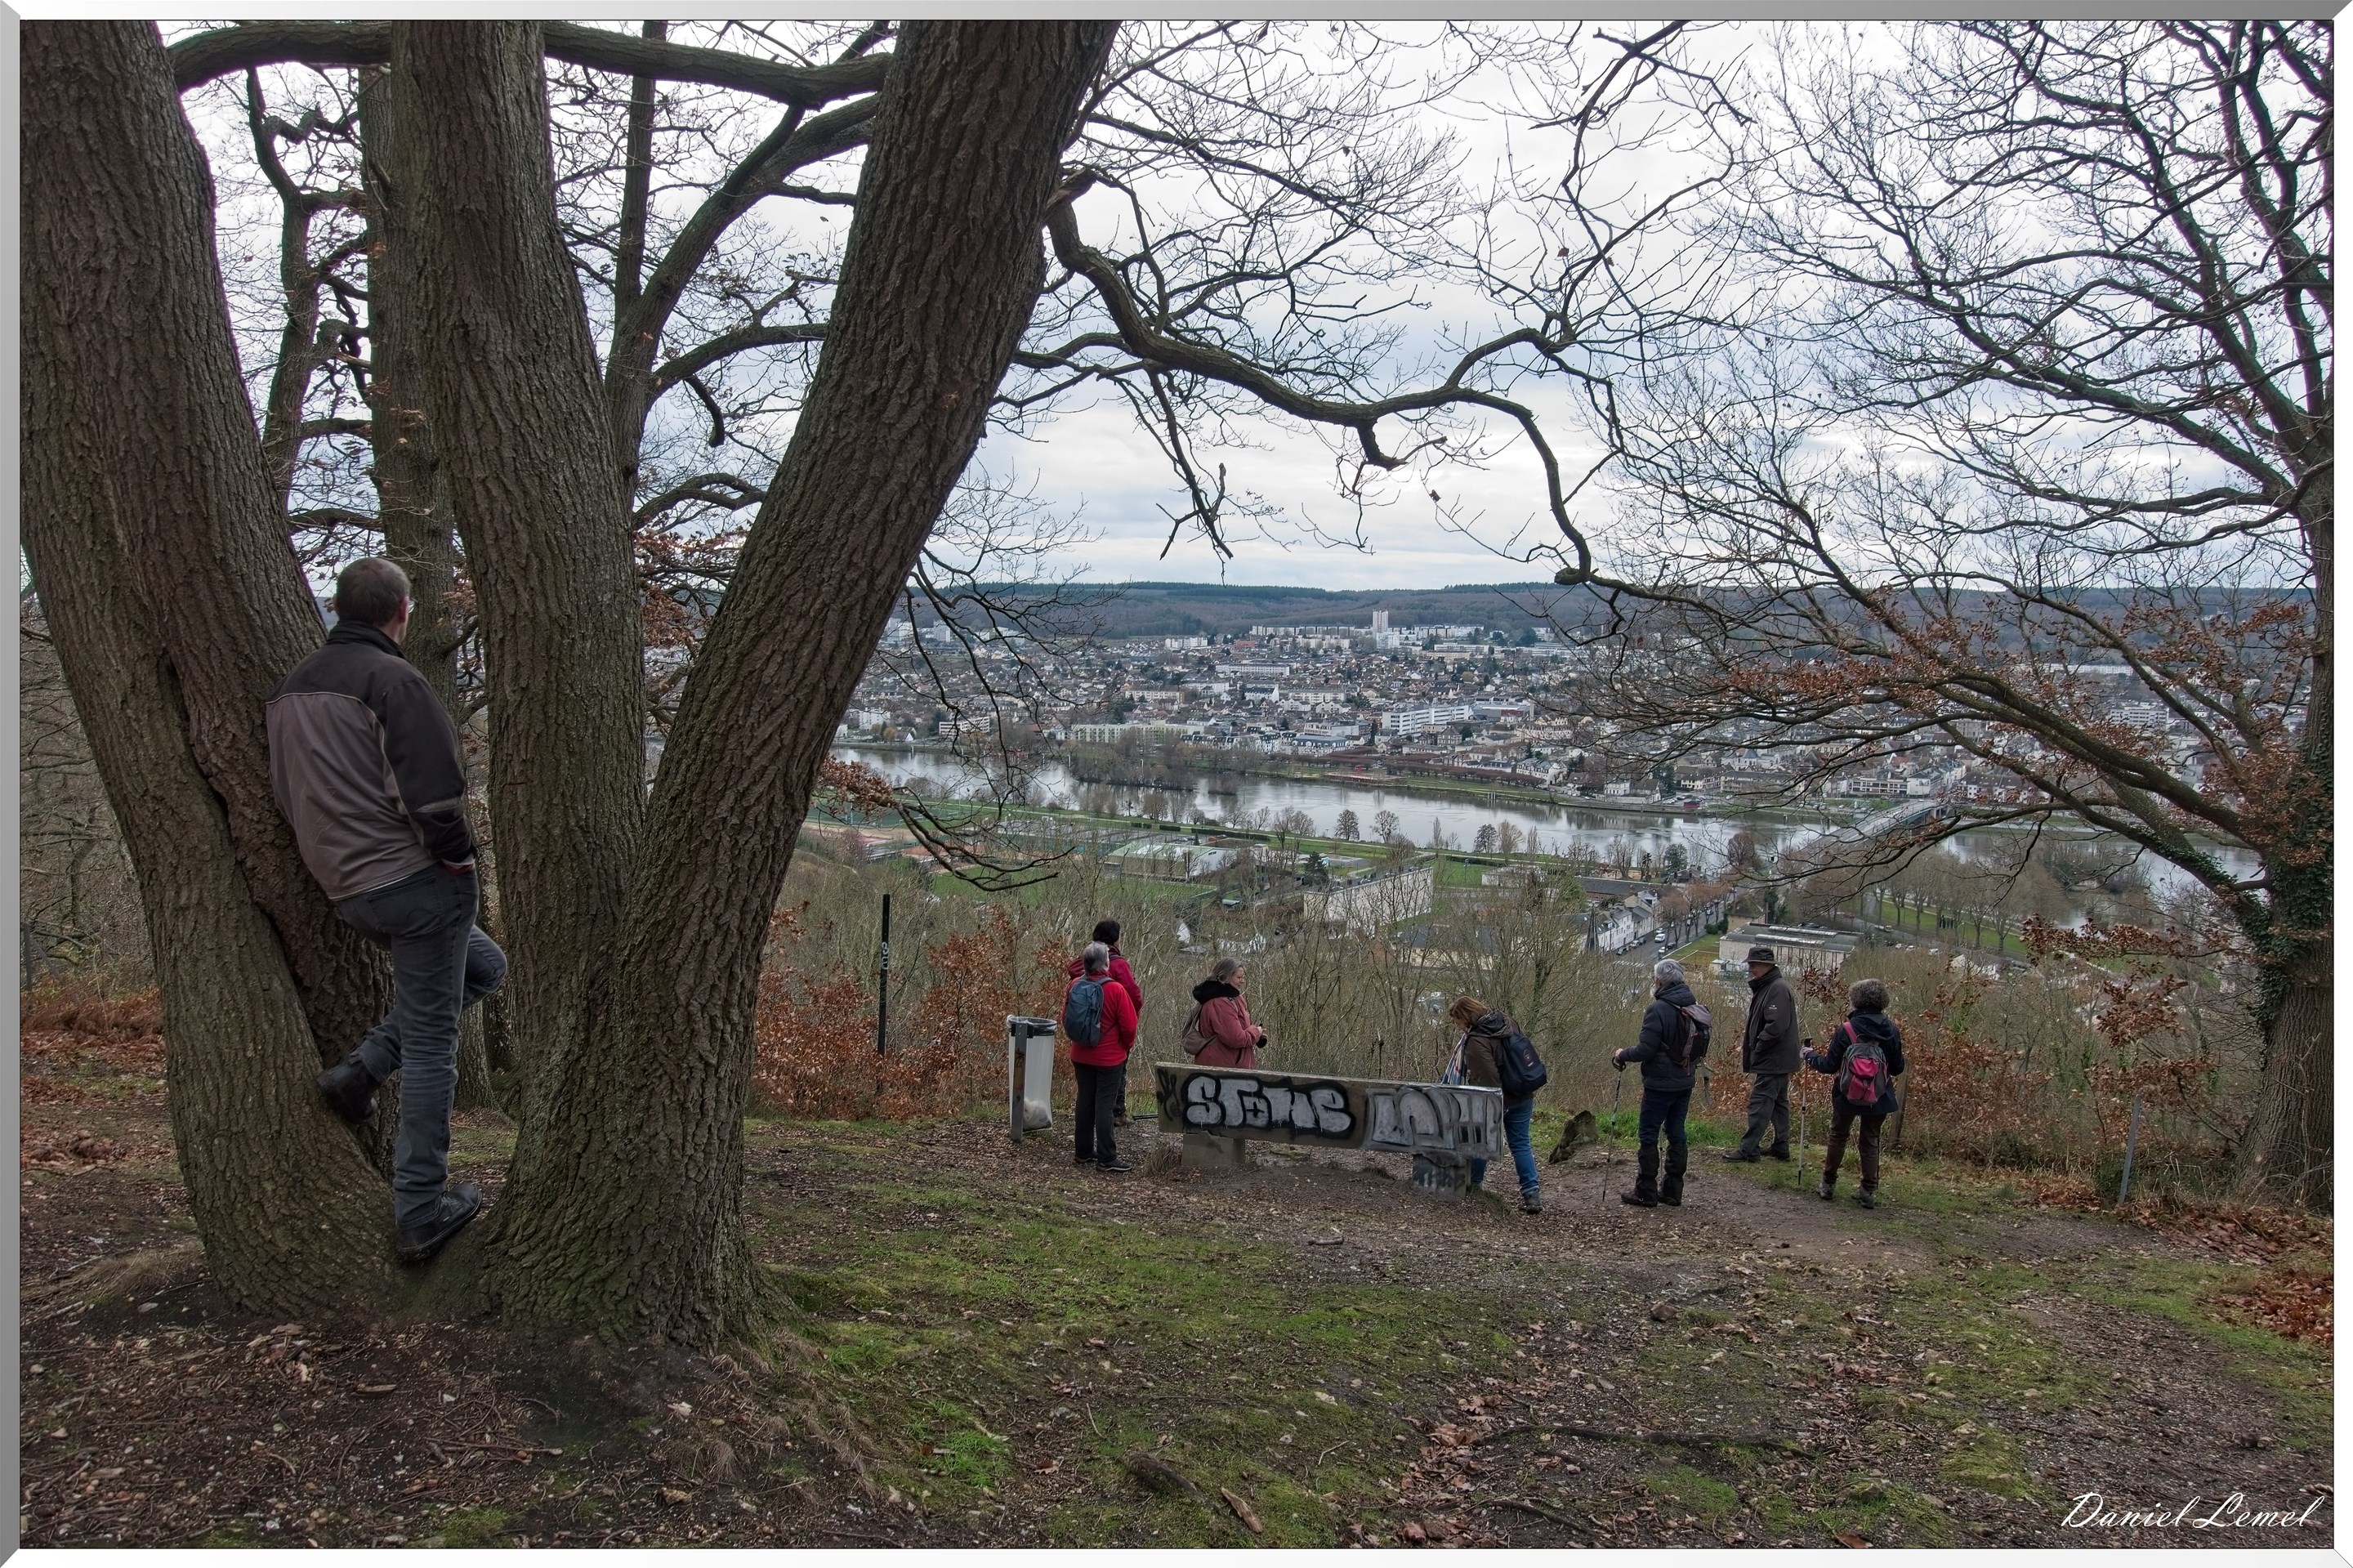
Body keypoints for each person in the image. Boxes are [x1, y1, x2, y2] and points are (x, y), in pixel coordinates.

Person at [266, 557, 506, 1263]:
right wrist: (459, 860)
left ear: (341, 608)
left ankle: (360, 1071)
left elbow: (286, 794)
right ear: (401, 612)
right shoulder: (394, 681)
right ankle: (420, 1211)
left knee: (484, 969)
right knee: (435, 1046)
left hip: (347, 889)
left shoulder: (289, 693)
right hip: (416, 882)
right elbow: (434, 796)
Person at [1806, 977, 1907, 1208]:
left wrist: (1809, 1055)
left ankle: (1828, 1186)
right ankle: (1868, 1191)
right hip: (1879, 1096)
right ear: (1882, 1001)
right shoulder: (1891, 1030)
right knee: (1870, 1139)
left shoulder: (1847, 1030)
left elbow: (1829, 1065)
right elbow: (1898, 1067)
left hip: (1846, 1093)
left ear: (1856, 1001)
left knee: (1838, 1136)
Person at [1612, 959, 1702, 1208]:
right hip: (1685, 1080)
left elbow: (1646, 1049)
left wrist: (1622, 1054)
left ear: (1658, 981)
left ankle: (1646, 1191)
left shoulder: (1658, 1010)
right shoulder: (1693, 1005)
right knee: (1677, 1132)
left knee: (1649, 1134)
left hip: (1660, 1084)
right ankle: (1673, 1191)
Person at [1447, 994, 1542, 1214]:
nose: (1459, 1028)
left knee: (1481, 1141)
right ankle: (1532, 1193)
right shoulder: (1507, 1021)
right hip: (1523, 1092)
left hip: (1497, 1098)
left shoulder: (1476, 1041)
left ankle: (1475, 1187)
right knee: (1521, 1144)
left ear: (1465, 1017)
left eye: (1458, 1023)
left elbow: (1487, 1080)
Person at [1064, 940, 1140, 1173]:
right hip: (1109, 1058)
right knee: (1104, 1106)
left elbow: (1066, 1017)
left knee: (1084, 1100)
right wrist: (1125, 1047)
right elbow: (1129, 1027)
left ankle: (1083, 1152)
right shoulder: (1116, 989)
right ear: (1106, 963)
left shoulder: (1075, 984)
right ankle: (1107, 1157)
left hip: (1080, 1053)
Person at [1722, 944, 1800, 1164]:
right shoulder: (1771, 986)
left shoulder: (1776, 988)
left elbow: (1776, 1026)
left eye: (1754, 964)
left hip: (1773, 1059)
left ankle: (1749, 1149)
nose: (1750, 969)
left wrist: (1758, 1046)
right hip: (1780, 1058)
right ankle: (1781, 1146)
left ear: (1767, 965)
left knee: (1760, 1102)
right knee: (1778, 1103)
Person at [1068, 920, 1142, 1127]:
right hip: (1112, 1033)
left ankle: (1083, 1149)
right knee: (1113, 1082)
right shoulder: (1117, 965)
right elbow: (1135, 997)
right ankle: (1116, 1115)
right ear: (1115, 938)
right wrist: (1128, 1035)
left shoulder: (1084, 965)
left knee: (1085, 1094)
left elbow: (1071, 972)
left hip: (1083, 1034)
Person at [1189, 956, 1266, 1069]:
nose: (1242, 981)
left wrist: (1255, 1035)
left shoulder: (1232, 999)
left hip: (1228, 1068)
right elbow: (1236, 1038)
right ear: (1225, 977)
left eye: (1243, 977)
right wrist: (1256, 1031)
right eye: (1239, 977)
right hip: (1222, 1070)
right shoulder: (1220, 1003)